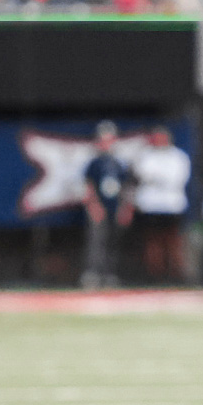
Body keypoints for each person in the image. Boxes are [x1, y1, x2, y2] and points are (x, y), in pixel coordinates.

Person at [129, 124, 191, 282]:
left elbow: (176, 179)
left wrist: (155, 177)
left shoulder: (178, 156)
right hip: (150, 206)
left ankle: (176, 275)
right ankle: (155, 275)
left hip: (172, 206)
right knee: (152, 241)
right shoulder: (145, 155)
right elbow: (141, 174)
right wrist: (158, 177)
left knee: (173, 241)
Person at [81, 121, 131, 288]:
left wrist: (124, 208)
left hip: (114, 208)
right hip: (99, 208)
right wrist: (94, 206)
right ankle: (93, 274)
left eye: (109, 140)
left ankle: (111, 274)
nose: (106, 143)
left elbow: (125, 187)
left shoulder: (119, 163)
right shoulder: (94, 163)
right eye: (103, 140)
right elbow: (89, 186)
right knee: (96, 242)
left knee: (113, 242)